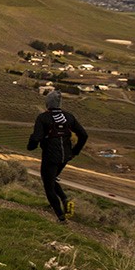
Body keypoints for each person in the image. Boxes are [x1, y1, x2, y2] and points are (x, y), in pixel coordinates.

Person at [27, 89, 87, 223]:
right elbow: (84, 135)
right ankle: (64, 199)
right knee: (52, 179)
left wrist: (31, 146)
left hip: (50, 156)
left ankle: (61, 217)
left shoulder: (43, 118)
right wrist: (75, 151)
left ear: (48, 103)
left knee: (48, 186)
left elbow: (36, 137)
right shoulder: (69, 117)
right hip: (65, 156)